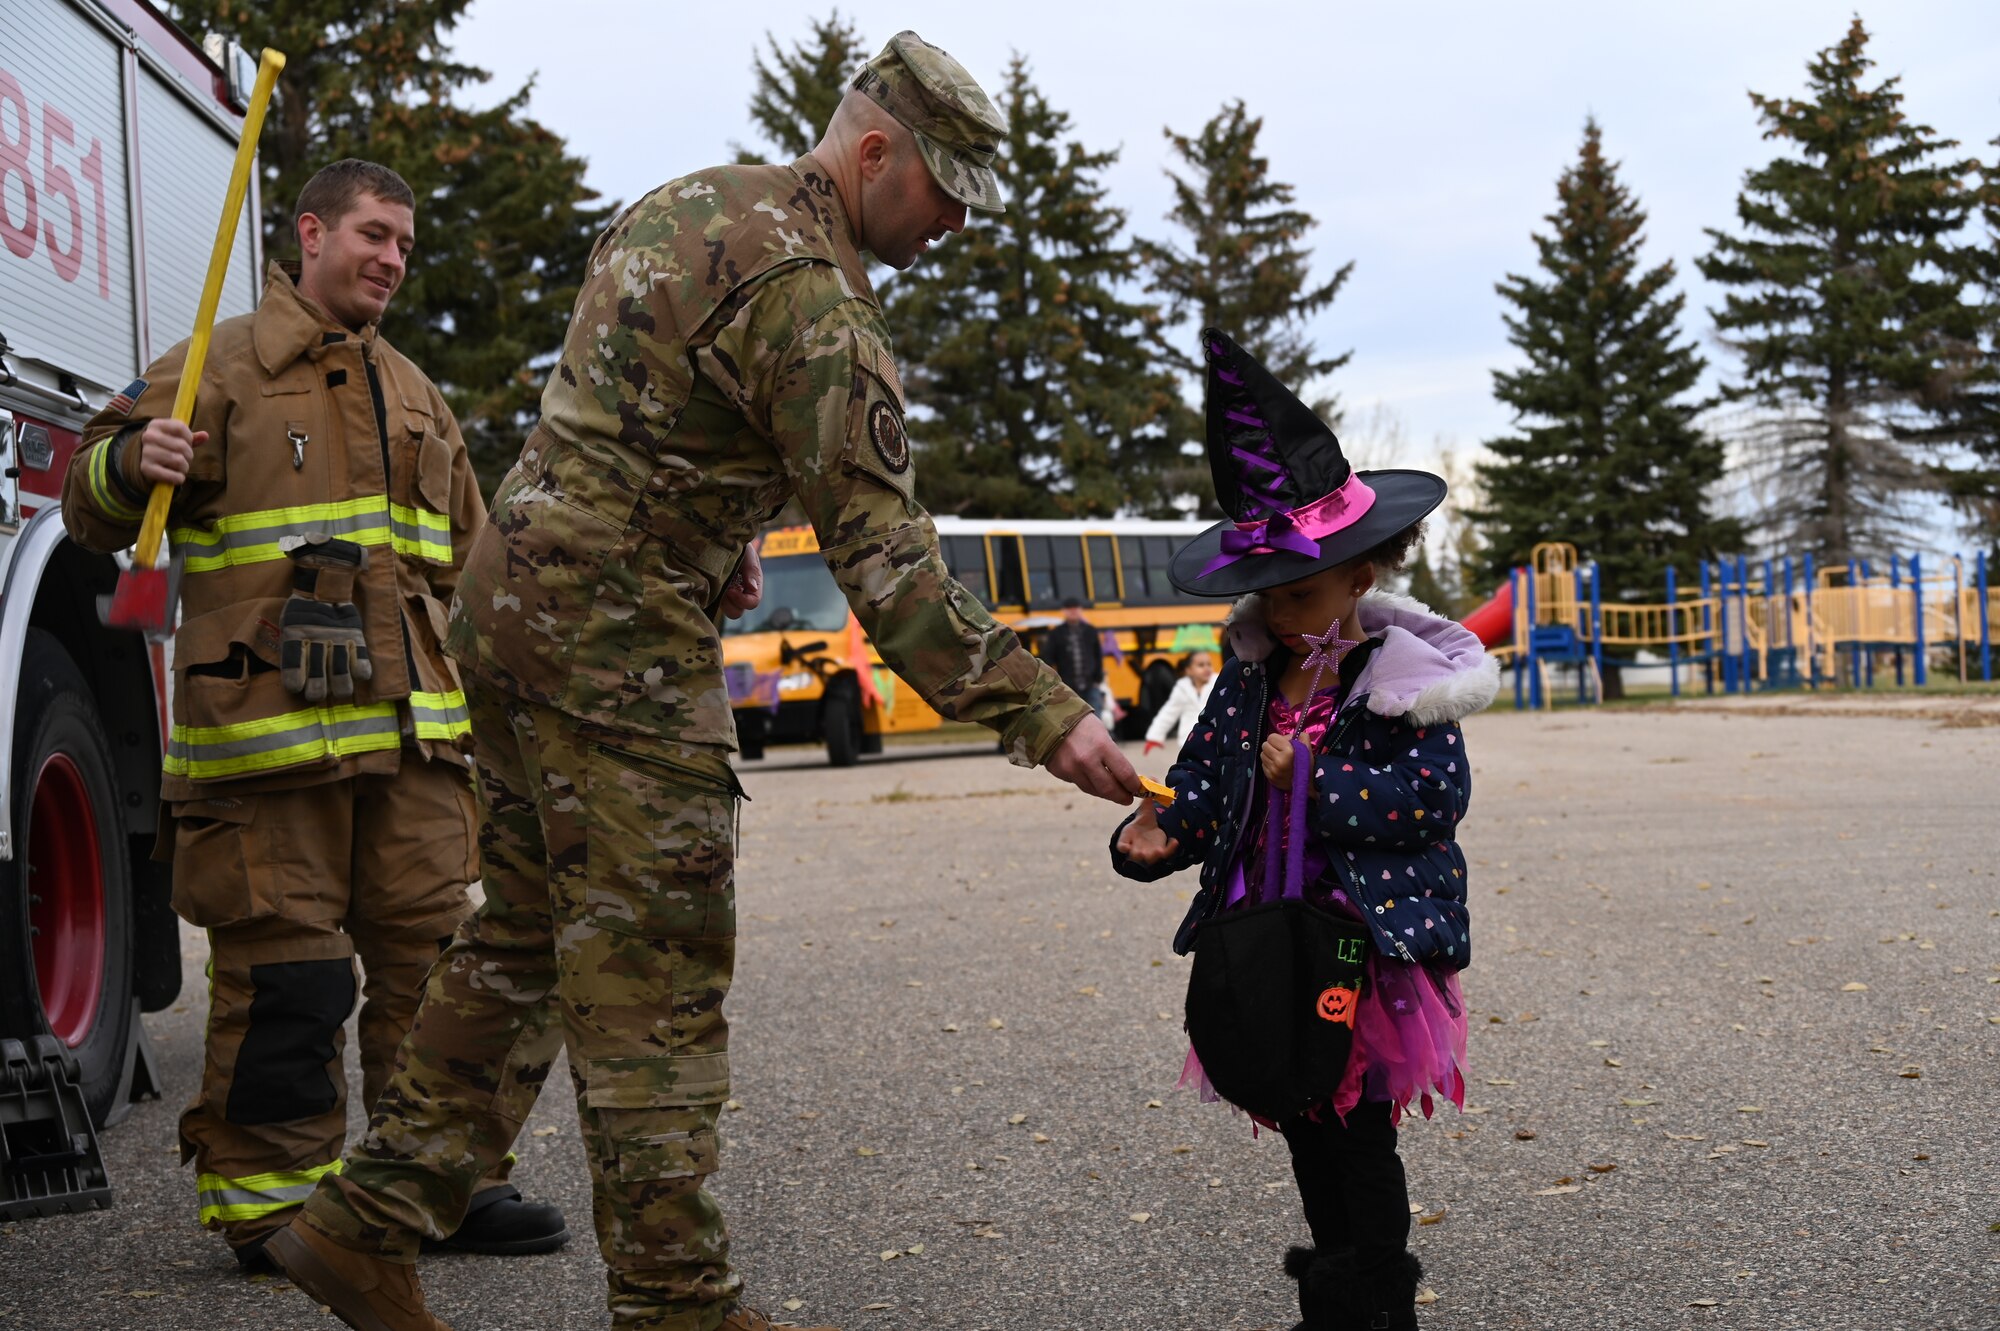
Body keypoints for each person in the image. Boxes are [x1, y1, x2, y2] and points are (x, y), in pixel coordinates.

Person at [264, 32, 1141, 1331]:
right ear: (874, 151)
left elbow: (636, 409)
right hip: (611, 633)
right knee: (656, 960)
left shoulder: (688, 201)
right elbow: (892, 571)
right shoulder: (826, 310)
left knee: (527, 931)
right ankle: (678, 1302)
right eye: (942, 191)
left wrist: (707, 533)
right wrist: (1047, 711)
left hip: (506, 594)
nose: (952, 223)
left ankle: (361, 1221)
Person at [59, 160, 566, 1272]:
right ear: (310, 233)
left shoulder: (421, 395)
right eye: (372, 234)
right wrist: (125, 461)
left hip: (414, 749)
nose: (389, 258)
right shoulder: (214, 367)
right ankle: (272, 1206)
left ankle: (439, 1184)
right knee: (290, 973)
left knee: (436, 970)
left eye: (403, 244)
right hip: (266, 749)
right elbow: (85, 508)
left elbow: (474, 572)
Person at [1109, 330, 1497, 1331]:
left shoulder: (1403, 680)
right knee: (1303, 1126)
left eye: (1302, 594)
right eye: (1270, 597)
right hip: (1264, 937)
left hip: (1359, 950)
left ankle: (1378, 1306)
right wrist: (1160, 830)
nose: (1283, 617)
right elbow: (1205, 783)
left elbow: (1428, 797)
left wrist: (1311, 781)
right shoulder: (1249, 676)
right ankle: (1337, 1296)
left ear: (1360, 572)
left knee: (1357, 1132)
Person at [1043, 597, 1109, 719]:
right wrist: (1053, 681)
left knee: (1095, 717)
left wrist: (1098, 678)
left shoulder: (1090, 631)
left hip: (1090, 683)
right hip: (1067, 685)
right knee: (1070, 718)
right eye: (1069, 609)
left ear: (1081, 610)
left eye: (1076, 609)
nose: (1073, 612)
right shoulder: (1056, 633)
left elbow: (1098, 656)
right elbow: (1048, 658)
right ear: (1064, 611)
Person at [1142, 650, 1216, 753]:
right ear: (1188, 670)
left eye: (1209, 664)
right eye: (1201, 665)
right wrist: (1155, 736)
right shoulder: (1182, 687)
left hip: (1213, 740)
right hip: (1188, 740)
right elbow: (1169, 711)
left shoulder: (1218, 685)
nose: (1206, 668)